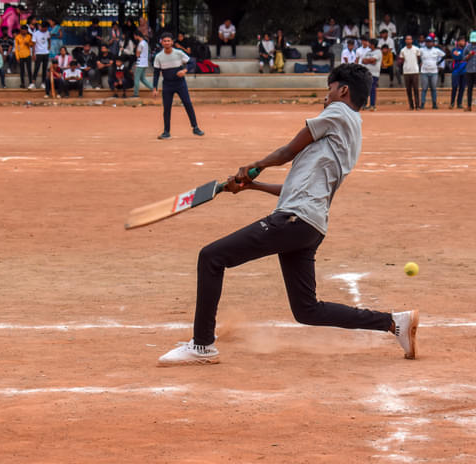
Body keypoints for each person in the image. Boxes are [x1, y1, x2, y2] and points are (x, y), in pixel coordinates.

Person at [155, 63, 419, 366]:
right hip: (308, 224)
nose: (326, 95)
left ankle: (202, 346)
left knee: (211, 257)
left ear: (343, 90)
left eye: (330, 88)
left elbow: (288, 151)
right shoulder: (348, 129)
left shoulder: (337, 113)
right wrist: (252, 186)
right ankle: (394, 323)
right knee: (307, 309)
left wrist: (254, 166)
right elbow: (294, 186)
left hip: (295, 219)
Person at [152, 32, 204, 139]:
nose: (167, 43)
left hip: (180, 84)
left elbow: (192, 63)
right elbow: (156, 73)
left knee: (188, 104)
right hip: (167, 84)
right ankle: (166, 131)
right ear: (161, 42)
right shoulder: (158, 57)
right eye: (164, 41)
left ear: (172, 42)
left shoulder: (179, 53)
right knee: (167, 108)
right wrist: (155, 88)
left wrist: (185, 70)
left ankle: (195, 127)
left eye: (168, 41)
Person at [419, 35, 444, 109]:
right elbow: (417, 55)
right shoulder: (421, 50)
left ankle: (434, 104)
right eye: (427, 42)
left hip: (434, 72)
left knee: (433, 88)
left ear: (433, 43)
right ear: (425, 43)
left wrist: (438, 63)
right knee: (424, 89)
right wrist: (419, 62)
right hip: (424, 71)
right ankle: (422, 103)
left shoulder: (436, 50)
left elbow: (444, 55)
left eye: (430, 42)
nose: (428, 43)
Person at [357, 36, 382, 110]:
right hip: (366, 73)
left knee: (372, 89)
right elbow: (363, 61)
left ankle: (372, 105)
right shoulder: (368, 52)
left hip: (374, 74)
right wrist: (370, 60)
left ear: (373, 45)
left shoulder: (378, 52)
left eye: (370, 43)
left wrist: (368, 61)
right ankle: (364, 104)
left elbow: (373, 61)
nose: (368, 45)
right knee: (365, 89)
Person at [399, 35, 421, 110]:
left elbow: (418, 58)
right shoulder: (403, 50)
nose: (408, 41)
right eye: (407, 39)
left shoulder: (416, 49)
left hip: (414, 71)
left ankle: (417, 105)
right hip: (406, 71)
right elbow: (401, 60)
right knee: (408, 90)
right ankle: (411, 105)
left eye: (410, 39)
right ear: (405, 41)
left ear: (412, 40)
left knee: (416, 89)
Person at [132, 30, 152, 98]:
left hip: (140, 63)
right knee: (142, 78)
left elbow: (137, 54)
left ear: (137, 35)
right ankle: (153, 89)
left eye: (134, 36)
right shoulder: (145, 43)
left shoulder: (140, 44)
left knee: (136, 78)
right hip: (145, 62)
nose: (134, 37)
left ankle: (136, 94)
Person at [450, 37, 468, 109]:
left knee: (462, 88)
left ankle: (459, 103)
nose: (462, 42)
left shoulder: (466, 49)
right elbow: (456, 57)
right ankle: (452, 102)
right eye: (461, 41)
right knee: (454, 87)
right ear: (458, 42)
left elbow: (468, 57)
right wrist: (465, 57)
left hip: (464, 71)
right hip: (456, 71)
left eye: (463, 41)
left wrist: (464, 57)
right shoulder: (454, 50)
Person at [32, 21, 51, 88]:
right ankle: (33, 83)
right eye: (46, 28)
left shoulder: (47, 32)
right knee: (36, 68)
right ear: (43, 27)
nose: (46, 29)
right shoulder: (36, 34)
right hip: (38, 53)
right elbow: (33, 45)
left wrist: (49, 46)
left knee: (44, 68)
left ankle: (43, 83)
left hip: (46, 53)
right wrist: (33, 54)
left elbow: (49, 39)